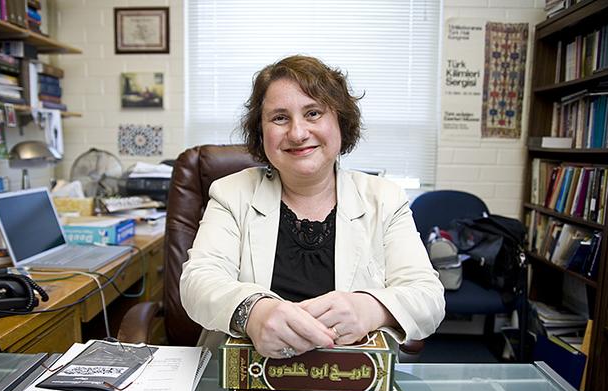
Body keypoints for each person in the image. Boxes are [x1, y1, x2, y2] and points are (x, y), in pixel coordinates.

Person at [180, 55, 445, 359]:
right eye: (280, 118)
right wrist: (254, 311)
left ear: (341, 122)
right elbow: (197, 282)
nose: (297, 133)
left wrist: (371, 308)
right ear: (261, 132)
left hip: (352, 384)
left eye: (313, 113)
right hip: (244, 380)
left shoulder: (384, 198)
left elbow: (429, 297)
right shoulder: (232, 193)